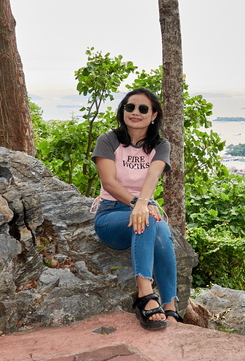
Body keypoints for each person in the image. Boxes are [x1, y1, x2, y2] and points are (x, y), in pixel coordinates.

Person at [91, 88, 182, 330]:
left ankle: (170, 306)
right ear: (122, 111)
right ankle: (146, 295)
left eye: (143, 109)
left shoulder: (160, 145)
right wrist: (137, 204)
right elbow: (109, 182)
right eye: (129, 107)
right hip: (111, 213)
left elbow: (153, 176)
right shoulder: (108, 139)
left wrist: (143, 203)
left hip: (142, 206)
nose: (135, 112)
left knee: (158, 226)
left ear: (153, 115)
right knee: (149, 218)